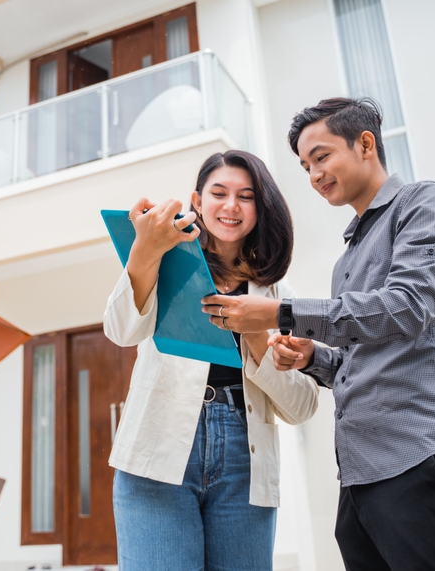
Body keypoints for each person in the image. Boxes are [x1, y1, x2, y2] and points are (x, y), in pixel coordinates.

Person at [202, 98, 435, 571]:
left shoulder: (423, 203)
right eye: (305, 167)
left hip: (426, 458)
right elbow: (362, 363)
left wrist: (279, 313)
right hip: (361, 482)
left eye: (321, 157)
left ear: (365, 144)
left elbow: (406, 308)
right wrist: (311, 356)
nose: (314, 174)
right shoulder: (347, 259)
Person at [104, 149, 319, 571]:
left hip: (244, 455)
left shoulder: (276, 292)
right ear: (197, 202)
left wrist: (257, 336)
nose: (231, 206)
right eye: (218, 193)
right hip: (158, 449)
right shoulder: (166, 260)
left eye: (246, 195)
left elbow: (303, 405)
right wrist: (144, 251)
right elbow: (121, 331)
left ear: (261, 207)